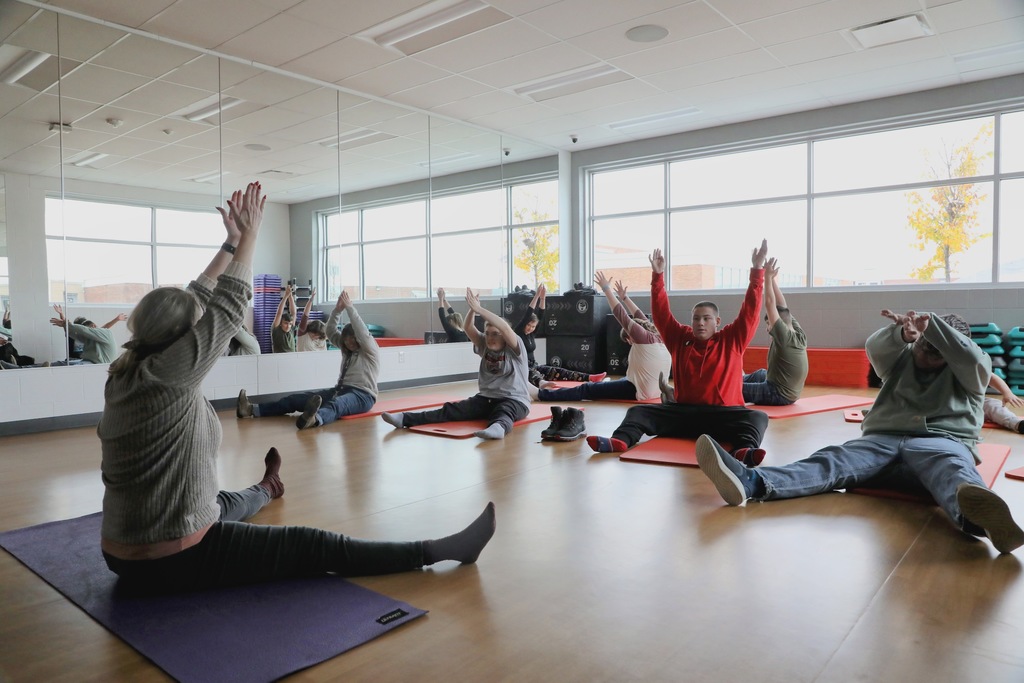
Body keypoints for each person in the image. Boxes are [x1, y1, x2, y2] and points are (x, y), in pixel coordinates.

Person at [98, 182, 495, 594]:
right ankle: (435, 551)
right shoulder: (171, 375)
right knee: (312, 544)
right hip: (171, 556)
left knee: (228, 502)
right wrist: (251, 236)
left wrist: (230, 244)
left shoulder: (128, 368)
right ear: (181, 337)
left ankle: (269, 486)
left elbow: (196, 295)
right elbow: (229, 306)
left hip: (124, 548)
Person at [696, 310, 1024, 554]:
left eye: (935, 352)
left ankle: (978, 520)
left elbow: (973, 358)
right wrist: (899, 334)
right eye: (924, 346)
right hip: (882, 442)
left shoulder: (971, 369)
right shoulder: (904, 357)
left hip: (940, 441)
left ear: (952, 351)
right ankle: (751, 482)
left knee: (951, 467)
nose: (924, 355)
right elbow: (875, 348)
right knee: (832, 460)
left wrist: (934, 326)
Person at [587, 242, 771, 468]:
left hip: (724, 416)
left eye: (706, 319)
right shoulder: (679, 339)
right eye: (696, 318)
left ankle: (744, 451)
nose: (700, 323)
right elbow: (662, 314)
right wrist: (657, 276)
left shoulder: (732, 339)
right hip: (685, 415)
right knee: (637, 412)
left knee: (758, 417)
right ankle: (620, 441)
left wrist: (757, 270)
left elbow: (750, 312)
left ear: (717, 322)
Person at [381, 288, 531, 440]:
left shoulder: (514, 348)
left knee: (504, 411)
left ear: (504, 337)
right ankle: (404, 419)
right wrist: (473, 310)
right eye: (487, 334)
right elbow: (467, 328)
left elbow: (505, 328)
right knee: (450, 410)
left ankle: (498, 428)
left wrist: (479, 309)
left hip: (514, 400)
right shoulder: (484, 345)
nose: (490, 338)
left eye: (495, 334)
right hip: (486, 398)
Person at [535, 273, 671, 431]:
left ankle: (542, 395)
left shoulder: (643, 338)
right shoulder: (659, 337)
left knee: (587, 389)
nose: (630, 342)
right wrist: (625, 298)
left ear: (632, 336)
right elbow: (640, 315)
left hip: (638, 391)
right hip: (655, 391)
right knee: (614, 381)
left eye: (628, 340)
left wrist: (606, 289)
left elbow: (620, 314)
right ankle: (600, 383)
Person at [238, 290, 381, 429]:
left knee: (337, 404)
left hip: (363, 395)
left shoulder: (369, 350)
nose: (349, 344)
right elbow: (330, 331)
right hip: (340, 390)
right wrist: (337, 310)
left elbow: (362, 332)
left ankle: (315, 419)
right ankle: (251, 409)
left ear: (359, 339)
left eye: (352, 340)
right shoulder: (346, 348)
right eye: (347, 341)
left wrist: (350, 307)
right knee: (294, 399)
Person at [741, 257, 808, 406]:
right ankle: (734, 378)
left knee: (733, 389)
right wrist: (772, 279)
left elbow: (770, 303)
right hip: (786, 389)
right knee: (760, 373)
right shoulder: (798, 333)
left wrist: (766, 277)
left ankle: (727, 384)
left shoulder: (784, 337)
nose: (767, 329)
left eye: (768, 324)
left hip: (778, 393)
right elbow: (781, 305)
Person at [512, 283, 605, 386]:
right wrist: (537, 296)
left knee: (557, 371)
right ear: (525, 323)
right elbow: (528, 313)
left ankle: (590, 377)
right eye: (529, 325)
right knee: (533, 375)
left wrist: (543, 298)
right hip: (522, 369)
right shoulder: (518, 332)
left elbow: (541, 314)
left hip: (534, 366)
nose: (530, 328)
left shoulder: (531, 334)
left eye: (533, 326)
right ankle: (542, 384)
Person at [48, 307, 120, 364]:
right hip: (79, 359)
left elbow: (85, 330)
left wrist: (117, 319)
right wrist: (64, 320)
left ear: (93, 326)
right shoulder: (88, 337)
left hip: (94, 362)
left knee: (78, 366)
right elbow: (70, 331)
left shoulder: (103, 333)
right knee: (61, 364)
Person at [296, 287, 327, 352]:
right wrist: (311, 300)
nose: (315, 337)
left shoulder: (321, 336)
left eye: (317, 335)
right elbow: (305, 315)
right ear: (309, 330)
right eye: (313, 334)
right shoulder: (303, 332)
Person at [271, 285, 296, 353]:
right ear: (281, 324)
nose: (288, 326)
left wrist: (290, 296)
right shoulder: (277, 330)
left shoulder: (291, 330)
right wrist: (286, 296)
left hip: (292, 357)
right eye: (285, 323)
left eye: (290, 324)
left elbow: (293, 313)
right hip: (279, 359)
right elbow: (279, 313)